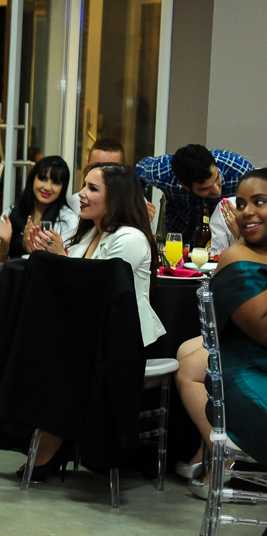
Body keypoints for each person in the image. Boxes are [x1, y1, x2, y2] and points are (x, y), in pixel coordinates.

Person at [19, 163, 166, 477]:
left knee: (61, 363)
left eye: (92, 188)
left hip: (122, 341)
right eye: (83, 186)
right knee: (37, 347)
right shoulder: (90, 233)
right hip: (90, 332)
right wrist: (47, 257)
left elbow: (100, 294)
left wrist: (60, 258)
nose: (81, 194)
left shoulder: (129, 238)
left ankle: (52, 444)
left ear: (116, 197)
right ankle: (42, 436)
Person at [205, 169, 267, 536]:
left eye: (259, 201)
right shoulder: (236, 258)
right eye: (241, 203)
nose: (247, 212)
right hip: (243, 380)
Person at [136, 143, 254, 237]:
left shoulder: (238, 169)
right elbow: (138, 171)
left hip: (227, 238)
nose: (216, 190)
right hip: (181, 236)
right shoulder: (163, 173)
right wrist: (139, 205)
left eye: (217, 178)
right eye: (205, 188)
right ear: (185, 186)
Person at [0, 155, 77, 270]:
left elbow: (66, 270)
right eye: (43, 179)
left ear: (63, 188)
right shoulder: (11, 213)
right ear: (32, 179)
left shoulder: (68, 220)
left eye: (56, 182)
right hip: (12, 279)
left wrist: (34, 252)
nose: (47, 187)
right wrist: (5, 242)